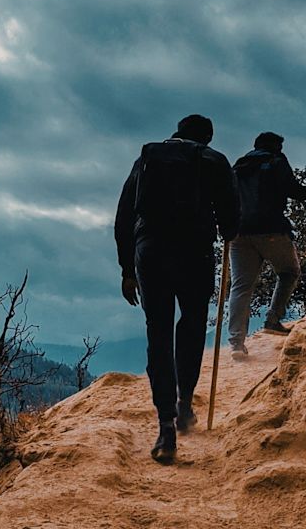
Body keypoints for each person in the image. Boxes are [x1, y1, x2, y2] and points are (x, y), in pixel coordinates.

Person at [115, 114, 239, 463]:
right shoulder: (213, 160)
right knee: (193, 325)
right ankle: (186, 403)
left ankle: (165, 425)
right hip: (194, 253)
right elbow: (231, 216)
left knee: (158, 331)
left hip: (150, 251)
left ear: (175, 133)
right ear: (207, 137)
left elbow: (124, 216)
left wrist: (127, 270)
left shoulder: (147, 158)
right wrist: (228, 230)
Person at [227, 131, 306, 360]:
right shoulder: (276, 162)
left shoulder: (239, 166)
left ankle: (236, 343)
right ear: (275, 147)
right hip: (271, 229)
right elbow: (291, 188)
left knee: (241, 286)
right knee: (289, 271)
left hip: (238, 232)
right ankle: (273, 319)